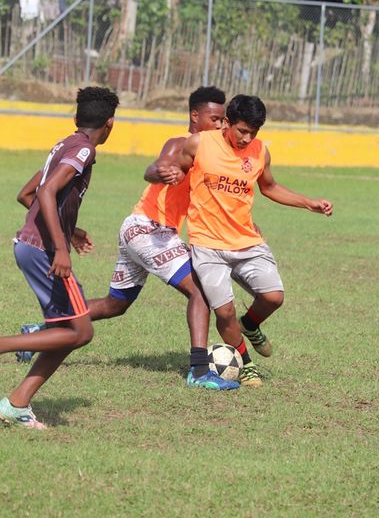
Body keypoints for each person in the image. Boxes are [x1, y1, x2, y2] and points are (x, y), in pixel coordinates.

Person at [17, 86, 239, 391]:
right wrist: (164, 172)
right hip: (150, 231)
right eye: (214, 119)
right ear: (194, 116)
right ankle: (200, 371)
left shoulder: (213, 153)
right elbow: (154, 168)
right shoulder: (181, 143)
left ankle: (38, 332)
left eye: (223, 120)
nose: (220, 125)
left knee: (115, 304)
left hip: (140, 229)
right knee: (200, 291)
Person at [165, 94, 333, 387]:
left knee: (273, 297)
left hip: (247, 240)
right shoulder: (199, 143)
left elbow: (270, 187)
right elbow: (179, 170)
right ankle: (246, 364)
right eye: (242, 131)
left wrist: (309, 203)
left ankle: (250, 324)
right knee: (224, 311)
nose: (246, 138)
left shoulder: (260, 152)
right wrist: (173, 174)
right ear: (227, 122)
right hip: (208, 243)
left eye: (253, 133)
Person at [0, 86, 119, 429]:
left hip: (30, 244)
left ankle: (17, 404)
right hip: (43, 250)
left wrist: (69, 229)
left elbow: (27, 194)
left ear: (76, 117)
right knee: (81, 331)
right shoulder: (84, 150)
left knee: (65, 331)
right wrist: (61, 248)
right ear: (110, 124)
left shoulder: (64, 144)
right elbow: (48, 192)